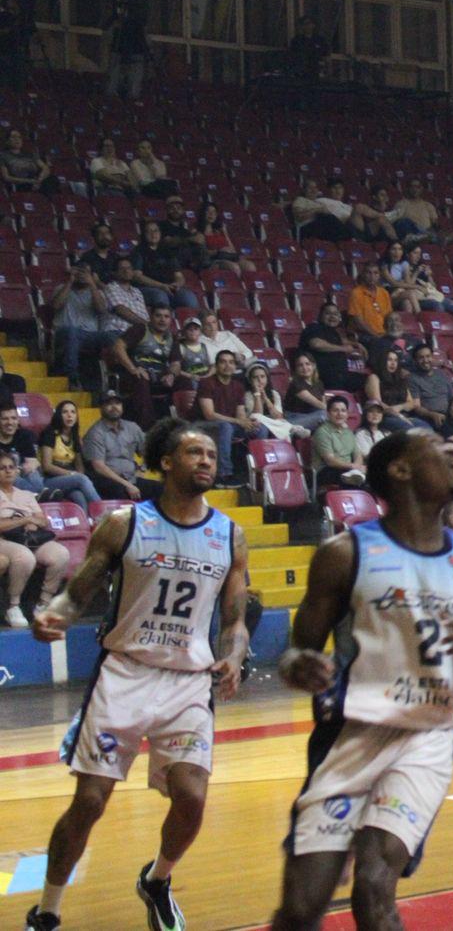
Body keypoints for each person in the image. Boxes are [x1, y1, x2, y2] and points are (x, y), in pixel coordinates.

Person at [270, 431, 453, 931]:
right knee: (301, 909)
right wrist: (299, 667)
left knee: (376, 882)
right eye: (439, 450)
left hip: (428, 737)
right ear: (399, 470)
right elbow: (295, 652)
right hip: (349, 736)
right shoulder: (344, 553)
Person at [24, 421, 248, 931]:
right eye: (194, 452)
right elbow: (79, 590)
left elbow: (233, 619)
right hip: (124, 672)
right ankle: (48, 910)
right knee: (90, 801)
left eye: (211, 453)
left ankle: (157, 880)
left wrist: (233, 657)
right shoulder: (125, 523)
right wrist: (55, 611)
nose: (207, 461)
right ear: (165, 462)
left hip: (189, 680)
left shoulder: (230, 534)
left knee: (192, 799)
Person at [0, 453, 73, 628]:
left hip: (29, 538)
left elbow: (42, 520)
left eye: (11, 467)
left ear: (17, 471)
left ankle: (43, 603)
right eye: (2, 468)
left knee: (60, 553)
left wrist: (34, 522)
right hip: (4, 540)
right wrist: (24, 520)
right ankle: (13, 606)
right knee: (25, 557)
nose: (8, 471)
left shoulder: (26, 494)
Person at [190, 350, 266, 488]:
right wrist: (238, 421)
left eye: (231, 362)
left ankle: (258, 472)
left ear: (235, 367)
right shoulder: (206, 383)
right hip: (203, 425)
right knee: (226, 426)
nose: (227, 365)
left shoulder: (238, 386)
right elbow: (209, 414)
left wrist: (246, 422)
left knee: (259, 428)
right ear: (216, 365)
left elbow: (240, 414)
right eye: (223, 362)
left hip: (228, 425)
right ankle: (223, 475)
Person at [37, 400, 101, 510]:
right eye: (65, 412)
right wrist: (71, 474)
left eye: (73, 412)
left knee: (79, 496)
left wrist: (75, 475)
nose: (69, 415)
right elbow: (47, 466)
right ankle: (104, 513)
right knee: (81, 480)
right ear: (58, 415)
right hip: (48, 480)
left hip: (68, 480)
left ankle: (88, 523)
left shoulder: (75, 436)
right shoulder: (50, 433)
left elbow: (79, 467)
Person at [83, 392, 147, 501]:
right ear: (101, 408)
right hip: (109, 480)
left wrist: (142, 469)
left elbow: (150, 452)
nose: (114, 407)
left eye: (117, 403)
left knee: (160, 489)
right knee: (120, 492)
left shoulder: (132, 427)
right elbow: (99, 467)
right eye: (109, 404)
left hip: (132, 478)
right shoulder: (95, 433)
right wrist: (127, 484)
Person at [311, 396, 365, 489]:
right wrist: (352, 467)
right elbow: (330, 461)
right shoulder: (322, 432)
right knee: (351, 481)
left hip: (348, 470)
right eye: (335, 410)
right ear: (328, 413)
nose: (340, 414)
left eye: (343, 411)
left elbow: (357, 455)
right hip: (326, 470)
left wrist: (357, 466)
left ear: (347, 414)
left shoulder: (348, 432)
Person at [285, 353, 329, 433]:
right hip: (293, 419)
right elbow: (320, 405)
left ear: (314, 366)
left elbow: (323, 404)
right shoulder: (295, 384)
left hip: (312, 416)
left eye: (307, 364)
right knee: (323, 416)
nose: (304, 368)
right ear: (296, 369)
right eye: (300, 365)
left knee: (327, 415)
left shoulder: (319, 383)